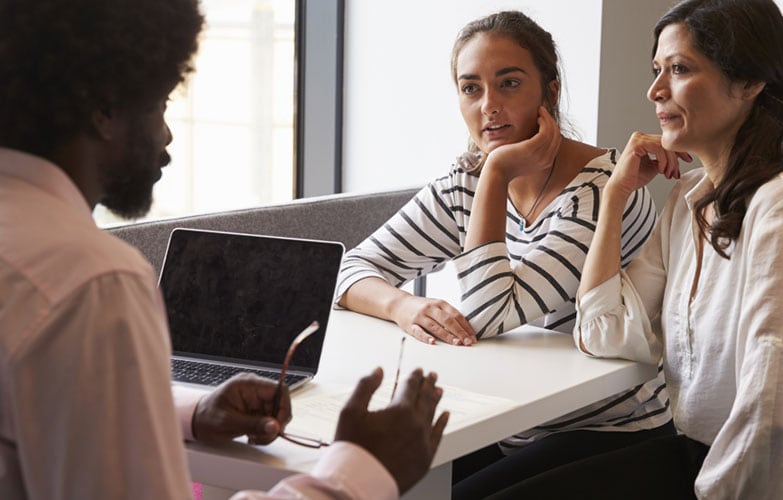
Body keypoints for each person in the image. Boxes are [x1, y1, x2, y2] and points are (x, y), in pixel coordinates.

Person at [0, 0, 448, 499]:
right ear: (105, 108)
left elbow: (42, 415)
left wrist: (190, 414)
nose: (166, 136)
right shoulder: (89, 283)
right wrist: (357, 472)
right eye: (162, 104)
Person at [490, 0, 783, 498]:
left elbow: (766, 421)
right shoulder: (689, 199)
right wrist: (615, 194)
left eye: (678, 69)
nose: (654, 91)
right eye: (657, 70)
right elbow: (603, 333)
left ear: (750, 83)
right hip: (699, 453)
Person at [336, 11, 674, 499]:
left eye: (509, 84)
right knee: (381, 483)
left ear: (550, 93)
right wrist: (404, 305)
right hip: (513, 425)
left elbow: (492, 313)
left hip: (612, 433)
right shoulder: (463, 184)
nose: (488, 106)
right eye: (471, 88)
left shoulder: (605, 190)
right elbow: (348, 269)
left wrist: (495, 175)